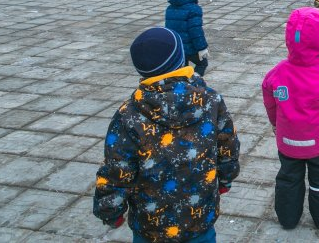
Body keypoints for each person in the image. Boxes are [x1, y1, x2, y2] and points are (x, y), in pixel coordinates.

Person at [94, 27, 240, 243]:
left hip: (150, 225)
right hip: (199, 216)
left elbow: (117, 167)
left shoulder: (128, 114)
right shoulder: (210, 100)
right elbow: (227, 145)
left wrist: (110, 209)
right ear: (181, 60)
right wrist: (226, 178)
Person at [262, 7, 319, 230]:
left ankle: (288, 218)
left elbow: (270, 103)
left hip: (288, 142)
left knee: (288, 179)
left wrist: (275, 124)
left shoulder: (277, 73)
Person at [165, 0, 210, 76]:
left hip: (176, 47)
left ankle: (183, 84)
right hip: (190, 47)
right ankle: (193, 80)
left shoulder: (170, 8)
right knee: (202, 63)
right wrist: (202, 48)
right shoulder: (194, 9)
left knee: (182, 69)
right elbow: (196, 31)